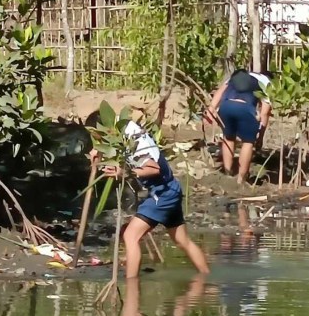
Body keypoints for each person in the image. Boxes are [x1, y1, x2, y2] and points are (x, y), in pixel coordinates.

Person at [89, 114, 209, 279]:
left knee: (130, 236)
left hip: (162, 194)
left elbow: (153, 168)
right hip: (170, 189)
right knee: (182, 240)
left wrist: (124, 173)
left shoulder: (133, 138)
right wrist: (100, 153)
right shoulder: (126, 132)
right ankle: (206, 279)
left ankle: (132, 287)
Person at [206, 68, 272, 184]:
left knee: (229, 137)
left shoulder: (237, 76)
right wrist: (260, 135)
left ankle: (228, 172)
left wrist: (210, 111)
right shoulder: (266, 82)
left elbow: (220, 92)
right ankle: (241, 179)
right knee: (248, 142)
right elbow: (265, 112)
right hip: (245, 108)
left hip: (226, 107)